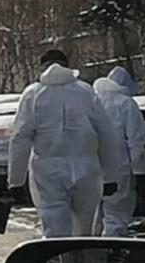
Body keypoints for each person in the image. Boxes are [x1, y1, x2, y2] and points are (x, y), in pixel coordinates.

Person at [8, 49, 124, 237]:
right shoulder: (86, 92)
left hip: (47, 170)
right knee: (84, 230)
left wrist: (15, 181)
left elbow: (20, 138)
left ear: (42, 67)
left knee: (55, 227)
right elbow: (106, 134)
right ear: (68, 66)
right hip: (87, 169)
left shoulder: (33, 94)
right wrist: (111, 176)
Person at [93, 66, 145, 236]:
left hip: (92, 167)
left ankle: (88, 251)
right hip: (120, 168)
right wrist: (139, 170)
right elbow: (135, 141)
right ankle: (112, 250)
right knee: (116, 214)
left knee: (93, 215)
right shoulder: (126, 104)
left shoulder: (93, 101)